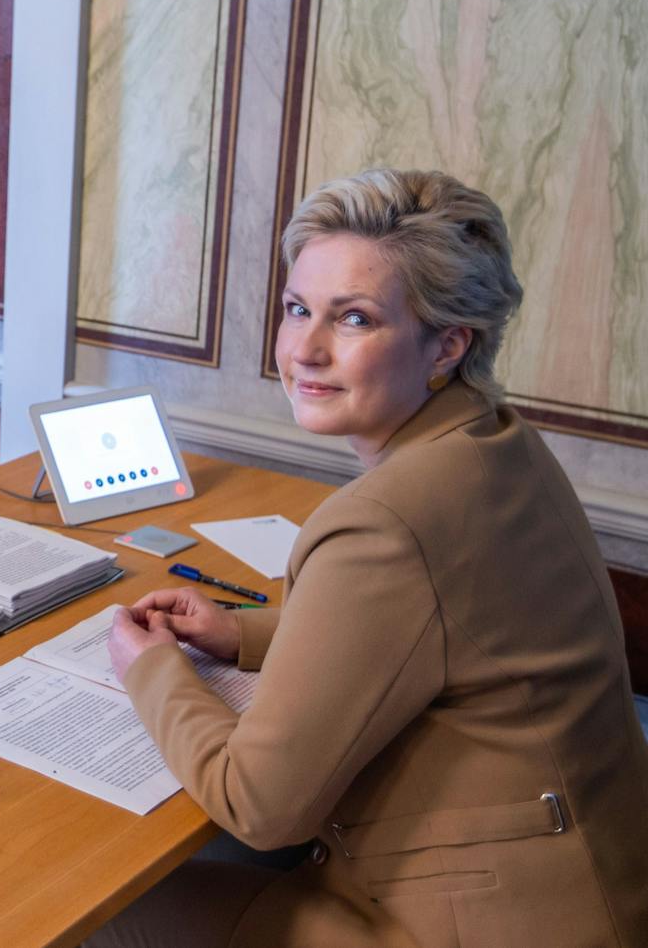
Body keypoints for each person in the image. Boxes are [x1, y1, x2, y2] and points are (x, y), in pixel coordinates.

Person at [97, 169, 648, 946]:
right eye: (298, 310)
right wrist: (242, 634)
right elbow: (439, 630)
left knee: (96, 906)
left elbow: (258, 805)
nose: (305, 350)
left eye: (353, 319)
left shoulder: (383, 522)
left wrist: (146, 668)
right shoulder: (499, 443)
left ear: (447, 344)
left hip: (466, 921)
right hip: (590, 887)